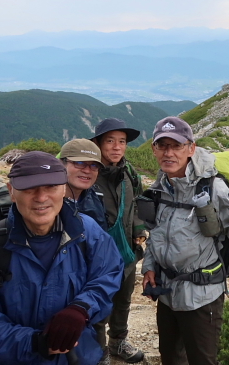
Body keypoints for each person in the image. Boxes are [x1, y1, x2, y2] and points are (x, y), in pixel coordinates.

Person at [0, 151, 123, 365]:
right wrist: (34, 343)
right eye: (29, 188)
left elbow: (108, 274)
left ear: (63, 189)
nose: (41, 198)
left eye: (51, 187)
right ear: (12, 192)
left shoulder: (87, 232)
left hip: (78, 357)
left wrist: (82, 307)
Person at [141, 116, 229, 365]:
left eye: (176, 146)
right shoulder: (161, 185)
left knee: (202, 360)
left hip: (202, 295)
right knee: (170, 357)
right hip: (166, 292)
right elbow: (157, 232)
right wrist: (149, 267)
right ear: (154, 149)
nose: (168, 153)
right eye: (162, 146)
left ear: (191, 148)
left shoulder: (214, 188)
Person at [91, 118, 146, 363]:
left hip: (126, 251)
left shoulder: (128, 172)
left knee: (123, 301)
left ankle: (118, 343)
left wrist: (138, 227)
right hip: (97, 257)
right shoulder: (88, 173)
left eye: (121, 142)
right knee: (99, 305)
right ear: (98, 143)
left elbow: (135, 204)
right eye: (110, 141)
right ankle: (98, 351)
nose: (116, 147)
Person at [59, 139, 108, 231]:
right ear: (61, 164)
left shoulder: (96, 197)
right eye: (79, 163)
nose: (87, 170)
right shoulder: (47, 200)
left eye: (94, 165)